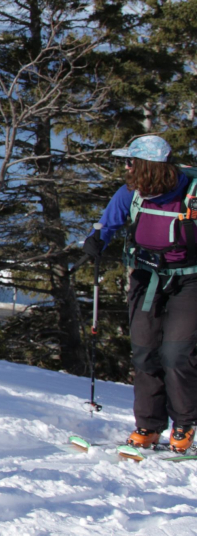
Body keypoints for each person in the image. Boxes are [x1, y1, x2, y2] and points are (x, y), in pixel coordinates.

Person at [85, 134, 197, 454]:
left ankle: (185, 423)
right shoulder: (131, 195)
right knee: (145, 351)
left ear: (146, 166)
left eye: (130, 161)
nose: (126, 167)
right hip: (146, 278)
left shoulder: (192, 194)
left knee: (176, 353)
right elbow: (108, 224)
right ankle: (148, 425)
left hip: (189, 281)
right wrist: (96, 241)